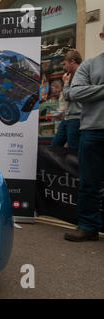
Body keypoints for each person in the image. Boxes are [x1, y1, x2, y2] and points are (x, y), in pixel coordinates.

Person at [64, 25, 104, 242]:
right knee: (89, 183)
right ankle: (88, 227)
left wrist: (95, 90)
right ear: (102, 36)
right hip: (92, 132)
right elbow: (76, 92)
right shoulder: (89, 64)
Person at [51, 50, 83, 148]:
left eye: (65, 64)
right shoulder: (71, 76)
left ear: (72, 61)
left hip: (76, 118)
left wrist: (65, 83)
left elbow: (68, 96)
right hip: (67, 118)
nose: (64, 68)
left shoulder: (82, 76)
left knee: (73, 151)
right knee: (54, 147)